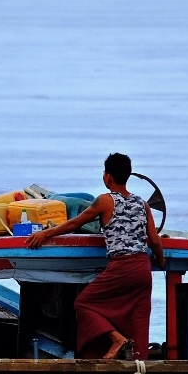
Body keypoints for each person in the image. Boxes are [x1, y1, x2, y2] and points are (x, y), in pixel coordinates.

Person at [25, 153, 163, 360]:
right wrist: (160, 261)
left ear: (108, 177)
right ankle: (137, 367)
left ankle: (117, 340)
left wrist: (45, 233)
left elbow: (74, 224)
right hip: (143, 268)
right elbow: (154, 240)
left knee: (84, 304)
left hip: (122, 266)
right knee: (139, 319)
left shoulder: (105, 201)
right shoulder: (142, 204)